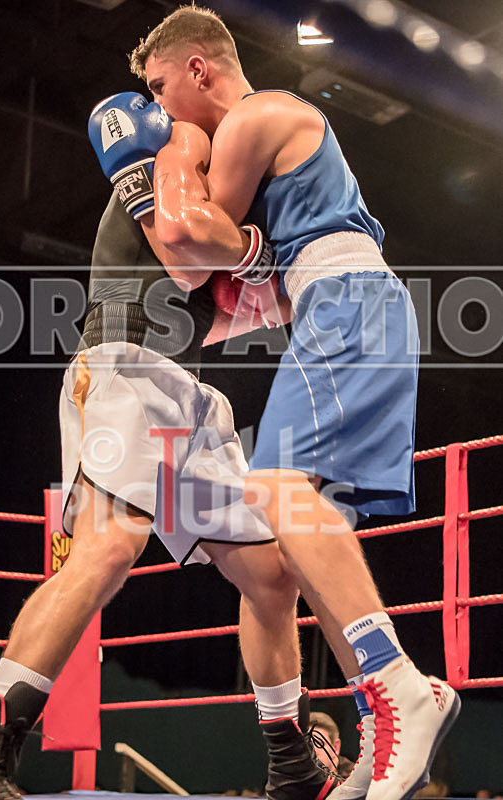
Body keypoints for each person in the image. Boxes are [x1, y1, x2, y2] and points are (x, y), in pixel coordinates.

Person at [123, 6, 461, 800]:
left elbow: (185, 250)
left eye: (160, 86)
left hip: (346, 302)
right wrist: (249, 265)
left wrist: (160, 158)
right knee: (312, 527)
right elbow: (248, 290)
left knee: (277, 490)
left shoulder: (257, 115)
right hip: (340, 304)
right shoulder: (279, 153)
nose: (158, 105)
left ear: (199, 67)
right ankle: (381, 718)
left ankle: (399, 682)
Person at [0, 187, 343, 800]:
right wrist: (262, 254)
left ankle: (293, 767)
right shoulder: (163, 159)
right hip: (121, 363)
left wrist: (304, 286)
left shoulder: (231, 200)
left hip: (189, 393)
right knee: (108, 549)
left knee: (273, 574)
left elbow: (222, 312)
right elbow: (182, 238)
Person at [308, 712, 354, 781]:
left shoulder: (359, 780)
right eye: (306, 744)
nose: (311, 751)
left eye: (318, 743)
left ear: (335, 747)